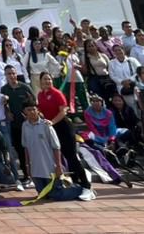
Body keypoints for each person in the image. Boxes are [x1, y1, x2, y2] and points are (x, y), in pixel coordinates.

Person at [35, 72, 94, 200]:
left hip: (63, 127)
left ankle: (86, 186)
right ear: (40, 82)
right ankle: (74, 183)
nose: (47, 81)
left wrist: (52, 122)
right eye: (45, 79)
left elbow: (63, 111)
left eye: (49, 79)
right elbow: (40, 110)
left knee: (71, 156)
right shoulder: (40, 95)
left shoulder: (57, 93)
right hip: (50, 129)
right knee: (58, 158)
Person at [20, 100, 86, 201]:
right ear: (24, 112)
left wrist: (58, 166)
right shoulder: (25, 126)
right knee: (43, 195)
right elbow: (26, 147)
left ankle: (81, 189)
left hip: (50, 167)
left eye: (34, 109)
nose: (32, 112)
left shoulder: (46, 125)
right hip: (36, 168)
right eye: (29, 110)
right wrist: (27, 165)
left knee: (56, 194)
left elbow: (56, 147)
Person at [1, 64, 36, 189]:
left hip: (28, 124)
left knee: (30, 150)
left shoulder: (25, 87)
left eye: (13, 73)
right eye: (8, 73)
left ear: (16, 74)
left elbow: (34, 103)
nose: (11, 75)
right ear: (5, 75)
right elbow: (3, 105)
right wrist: (7, 111)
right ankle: (27, 175)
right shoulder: (4, 89)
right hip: (14, 126)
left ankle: (33, 175)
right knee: (20, 150)